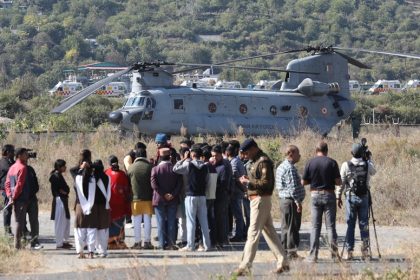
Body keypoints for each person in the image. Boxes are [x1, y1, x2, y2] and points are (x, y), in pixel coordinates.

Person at [232, 139, 289, 276]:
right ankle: (283, 261)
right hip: (257, 199)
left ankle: (245, 266)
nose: (245, 156)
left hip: (260, 199)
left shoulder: (263, 161)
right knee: (269, 232)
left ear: (253, 149)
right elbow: (258, 180)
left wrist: (248, 181)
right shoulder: (255, 161)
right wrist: (249, 180)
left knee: (253, 233)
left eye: (246, 153)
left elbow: (266, 183)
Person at [302, 141, 342, 263]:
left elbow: (303, 182)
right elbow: (338, 182)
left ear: (316, 150)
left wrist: (313, 180)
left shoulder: (310, 162)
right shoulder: (332, 162)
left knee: (315, 227)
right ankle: (334, 256)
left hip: (315, 195)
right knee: (330, 227)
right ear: (326, 150)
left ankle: (313, 256)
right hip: (329, 194)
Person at [338, 143, 376, 260]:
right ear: (362, 153)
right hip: (364, 197)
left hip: (351, 197)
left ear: (352, 153)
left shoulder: (346, 165)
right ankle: (365, 251)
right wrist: (369, 158)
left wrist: (338, 196)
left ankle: (349, 251)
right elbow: (374, 172)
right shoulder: (367, 164)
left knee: (351, 224)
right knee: (364, 224)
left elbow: (342, 183)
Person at [173, 145, 211, 252]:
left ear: (192, 154)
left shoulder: (188, 165)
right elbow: (207, 181)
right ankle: (207, 245)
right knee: (204, 221)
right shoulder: (205, 166)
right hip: (202, 196)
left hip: (190, 196)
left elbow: (175, 169)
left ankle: (190, 245)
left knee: (191, 222)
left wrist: (183, 159)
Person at [276, 145, 305, 259]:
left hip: (284, 200)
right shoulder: (289, 168)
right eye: (298, 153)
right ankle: (292, 253)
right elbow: (293, 188)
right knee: (292, 227)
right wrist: (298, 202)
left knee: (285, 227)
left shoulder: (281, 166)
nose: (300, 156)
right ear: (291, 154)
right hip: (291, 201)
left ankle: (284, 251)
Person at [151, 148, 182, 250]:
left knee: (160, 222)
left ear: (160, 157)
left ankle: (161, 244)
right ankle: (171, 244)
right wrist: (172, 194)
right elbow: (179, 184)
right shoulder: (175, 169)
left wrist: (163, 194)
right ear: (170, 157)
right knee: (172, 221)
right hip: (172, 199)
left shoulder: (155, 169)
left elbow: (154, 185)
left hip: (159, 199)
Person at [4, 148, 34, 249]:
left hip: (14, 197)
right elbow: (19, 185)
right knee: (19, 222)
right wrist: (14, 197)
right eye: (25, 154)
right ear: (19, 155)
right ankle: (17, 246)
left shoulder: (12, 167)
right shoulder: (23, 167)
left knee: (18, 220)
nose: (27, 156)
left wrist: (9, 196)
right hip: (20, 198)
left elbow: (7, 183)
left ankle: (18, 245)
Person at [71, 149, 97, 258]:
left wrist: (81, 167)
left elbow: (72, 169)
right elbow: (100, 167)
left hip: (79, 204)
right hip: (92, 204)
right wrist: (89, 165)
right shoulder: (94, 171)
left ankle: (80, 252)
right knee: (91, 227)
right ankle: (91, 252)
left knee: (79, 228)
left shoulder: (76, 173)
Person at [127, 147, 154, 249]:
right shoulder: (150, 167)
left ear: (136, 156)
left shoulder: (131, 167)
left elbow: (128, 181)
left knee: (136, 221)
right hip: (148, 198)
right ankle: (147, 242)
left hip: (135, 199)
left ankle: (137, 242)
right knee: (147, 221)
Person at [105, 156, 131, 250]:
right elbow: (127, 190)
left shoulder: (106, 172)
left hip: (110, 205)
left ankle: (109, 243)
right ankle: (118, 242)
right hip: (120, 205)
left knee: (110, 224)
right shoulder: (123, 174)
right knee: (119, 224)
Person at [211, 145, 233, 248]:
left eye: (216, 156)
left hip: (221, 196)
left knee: (219, 219)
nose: (214, 158)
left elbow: (223, 183)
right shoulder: (216, 165)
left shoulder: (223, 167)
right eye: (213, 156)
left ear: (221, 155)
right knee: (218, 219)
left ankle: (220, 241)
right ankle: (219, 240)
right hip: (217, 196)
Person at [226, 144, 247, 242]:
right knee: (238, 214)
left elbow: (235, 176)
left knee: (237, 215)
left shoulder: (234, 162)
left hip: (235, 192)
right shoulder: (237, 161)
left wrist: (242, 189)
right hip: (238, 191)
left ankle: (239, 235)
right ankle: (241, 233)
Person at [50, 159, 72, 249]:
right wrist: (63, 191)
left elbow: (66, 190)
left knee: (66, 221)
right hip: (59, 200)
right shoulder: (54, 176)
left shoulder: (59, 175)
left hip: (63, 200)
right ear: (59, 167)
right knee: (60, 222)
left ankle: (64, 241)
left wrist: (65, 191)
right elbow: (62, 190)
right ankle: (59, 243)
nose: (65, 168)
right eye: (63, 166)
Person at [92, 160, 111, 258]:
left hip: (94, 205)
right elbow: (109, 192)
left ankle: (97, 248)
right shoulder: (107, 177)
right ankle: (103, 250)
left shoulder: (92, 177)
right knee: (104, 228)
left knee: (95, 228)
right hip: (104, 205)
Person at [0, 144, 15, 236]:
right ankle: (7, 231)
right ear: (7, 152)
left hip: (9, 188)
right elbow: (11, 169)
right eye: (12, 151)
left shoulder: (9, 161)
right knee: (7, 209)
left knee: (9, 209)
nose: (14, 153)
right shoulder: (3, 162)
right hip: (4, 190)